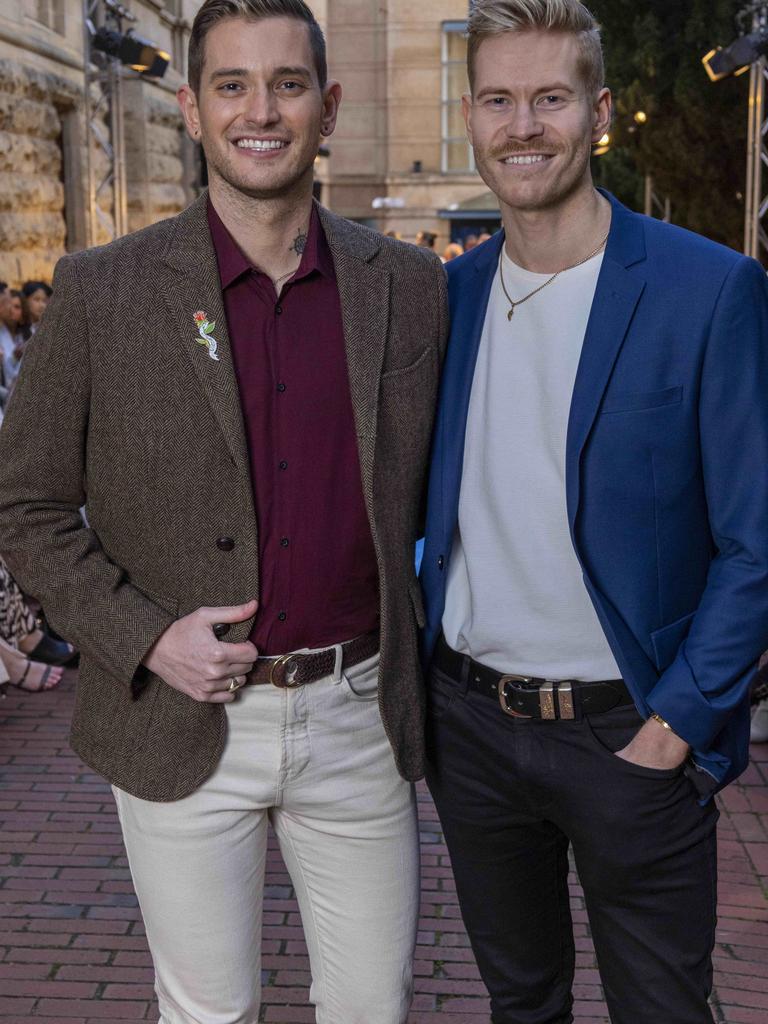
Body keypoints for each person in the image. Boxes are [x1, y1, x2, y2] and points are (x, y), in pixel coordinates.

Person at [0, 1, 446, 1022]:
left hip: (359, 714)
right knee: (208, 1013)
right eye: (231, 84)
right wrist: (145, 637)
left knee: (374, 1004)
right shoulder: (101, 290)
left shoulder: (410, 289)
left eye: (288, 83)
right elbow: (22, 506)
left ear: (327, 109)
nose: (262, 109)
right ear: (191, 110)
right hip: (178, 718)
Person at [419, 2, 768, 1023]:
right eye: (498, 99)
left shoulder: (710, 291)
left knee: (661, 1008)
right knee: (520, 1002)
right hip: (473, 732)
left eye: (550, 98)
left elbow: (757, 541)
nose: (523, 125)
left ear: (599, 112)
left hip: (632, 729)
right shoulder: (449, 298)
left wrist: (677, 727)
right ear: (473, 114)